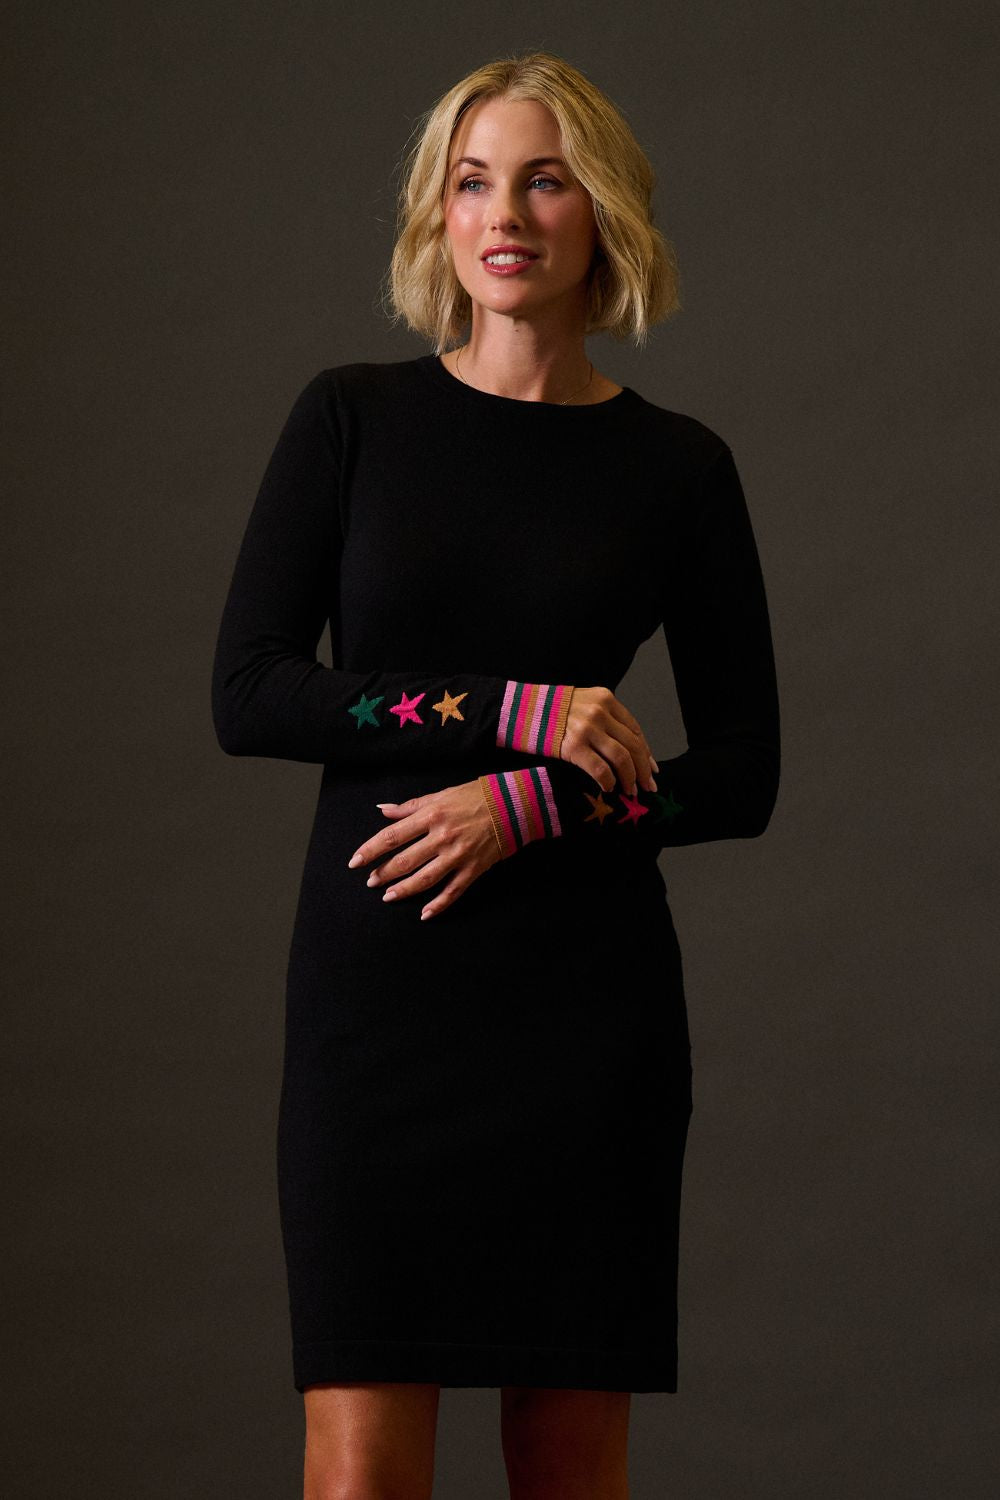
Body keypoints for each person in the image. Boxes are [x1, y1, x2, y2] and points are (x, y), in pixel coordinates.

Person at [211, 49, 780, 1500]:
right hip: (376, 1006)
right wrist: (511, 711)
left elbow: (745, 771)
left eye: (544, 176)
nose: (505, 211)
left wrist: (540, 804)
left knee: (571, 1463)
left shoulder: (679, 470)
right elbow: (253, 691)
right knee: (357, 1467)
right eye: (472, 181)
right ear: (437, 217)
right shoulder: (352, 418)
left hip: (582, 1020)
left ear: (604, 211)